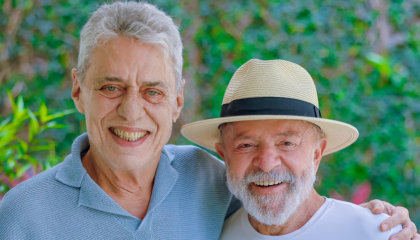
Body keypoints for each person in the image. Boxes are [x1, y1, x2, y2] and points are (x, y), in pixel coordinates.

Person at [0, 2, 417, 239]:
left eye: (153, 91)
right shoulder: (21, 215)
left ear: (178, 99)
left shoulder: (206, 179)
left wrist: (369, 224)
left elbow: (285, 205)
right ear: (78, 90)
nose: (132, 111)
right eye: (111, 87)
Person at [181, 59, 420, 240]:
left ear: (317, 154)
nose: (266, 163)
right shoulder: (216, 234)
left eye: (287, 143)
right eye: (246, 145)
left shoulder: (377, 233)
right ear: (224, 155)